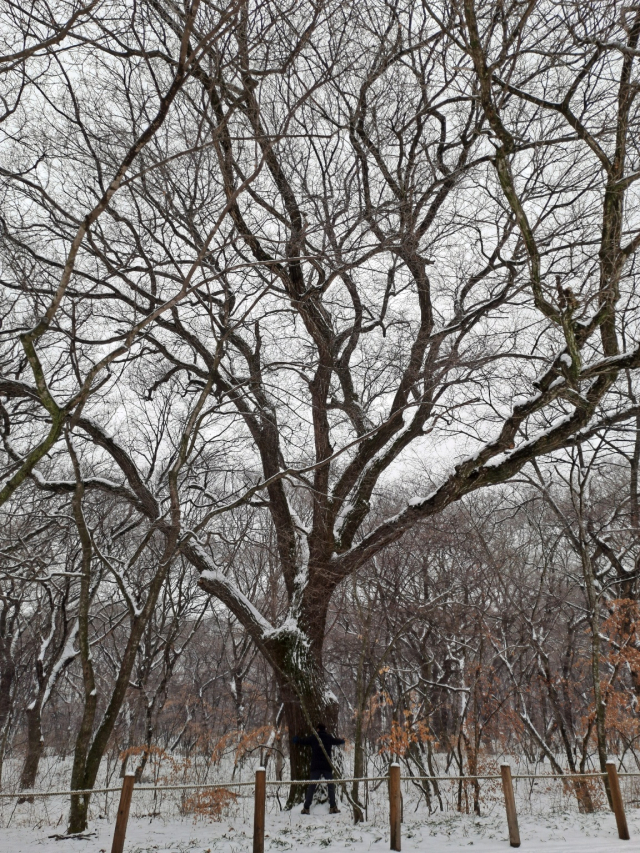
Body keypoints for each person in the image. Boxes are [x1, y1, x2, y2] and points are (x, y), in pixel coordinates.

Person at [292, 723, 345, 814]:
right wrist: (342, 741)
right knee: (330, 786)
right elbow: (336, 741)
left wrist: (297, 740)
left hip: (315, 766)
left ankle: (306, 807)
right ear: (325, 729)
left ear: (318, 729)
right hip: (326, 766)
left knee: (311, 787)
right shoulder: (328, 737)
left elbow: (304, 741)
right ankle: (332, 806)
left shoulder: (314, 737)